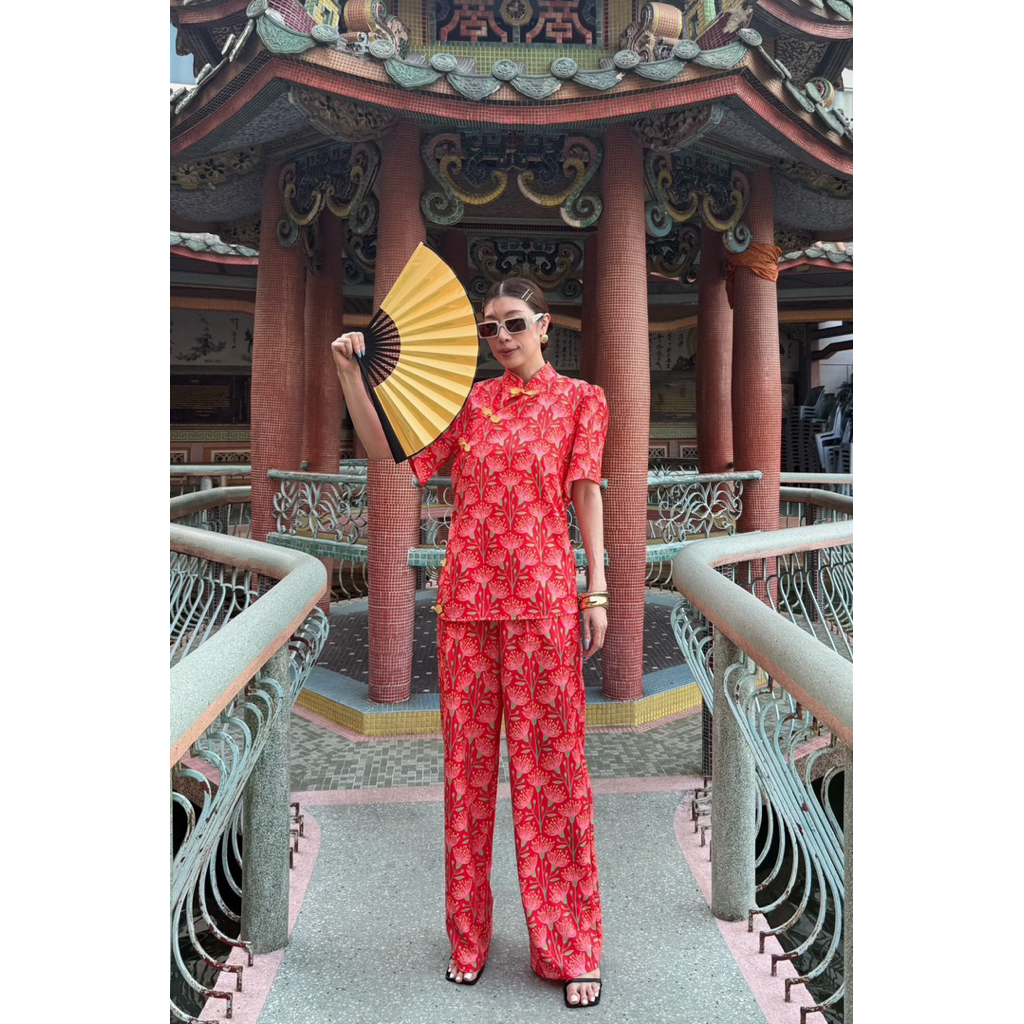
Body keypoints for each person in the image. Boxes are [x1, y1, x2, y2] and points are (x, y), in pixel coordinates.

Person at [331, 276, 609, 1008]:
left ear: (544, 326)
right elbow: (388, 450)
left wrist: (598, 589)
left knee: (555, 776)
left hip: (545, 605)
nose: (502, 338)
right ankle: (468, 938)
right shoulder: (472, 404)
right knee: (467, 779)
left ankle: (572, 946)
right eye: (491, 328)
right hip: (466, 608)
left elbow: (586, 492)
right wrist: (349, 374)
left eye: (514, 323)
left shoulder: (582, 400)